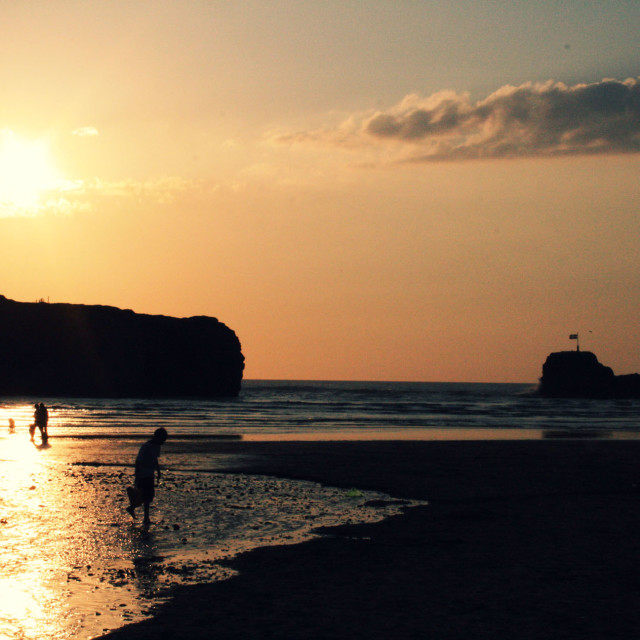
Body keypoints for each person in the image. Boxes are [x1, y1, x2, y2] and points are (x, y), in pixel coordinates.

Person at [127, 427, 168, 527]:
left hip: (150, 474)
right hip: (143, 474)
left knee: (148, 497)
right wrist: (137, 476)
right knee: (144, 496)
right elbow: (138, 461)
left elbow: (155, 459)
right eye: (162, 440)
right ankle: (140, 514)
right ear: (157, 437)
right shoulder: (146, 446)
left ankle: (144, 516)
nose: (163, 442)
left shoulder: (156, 446)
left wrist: (158, 471)